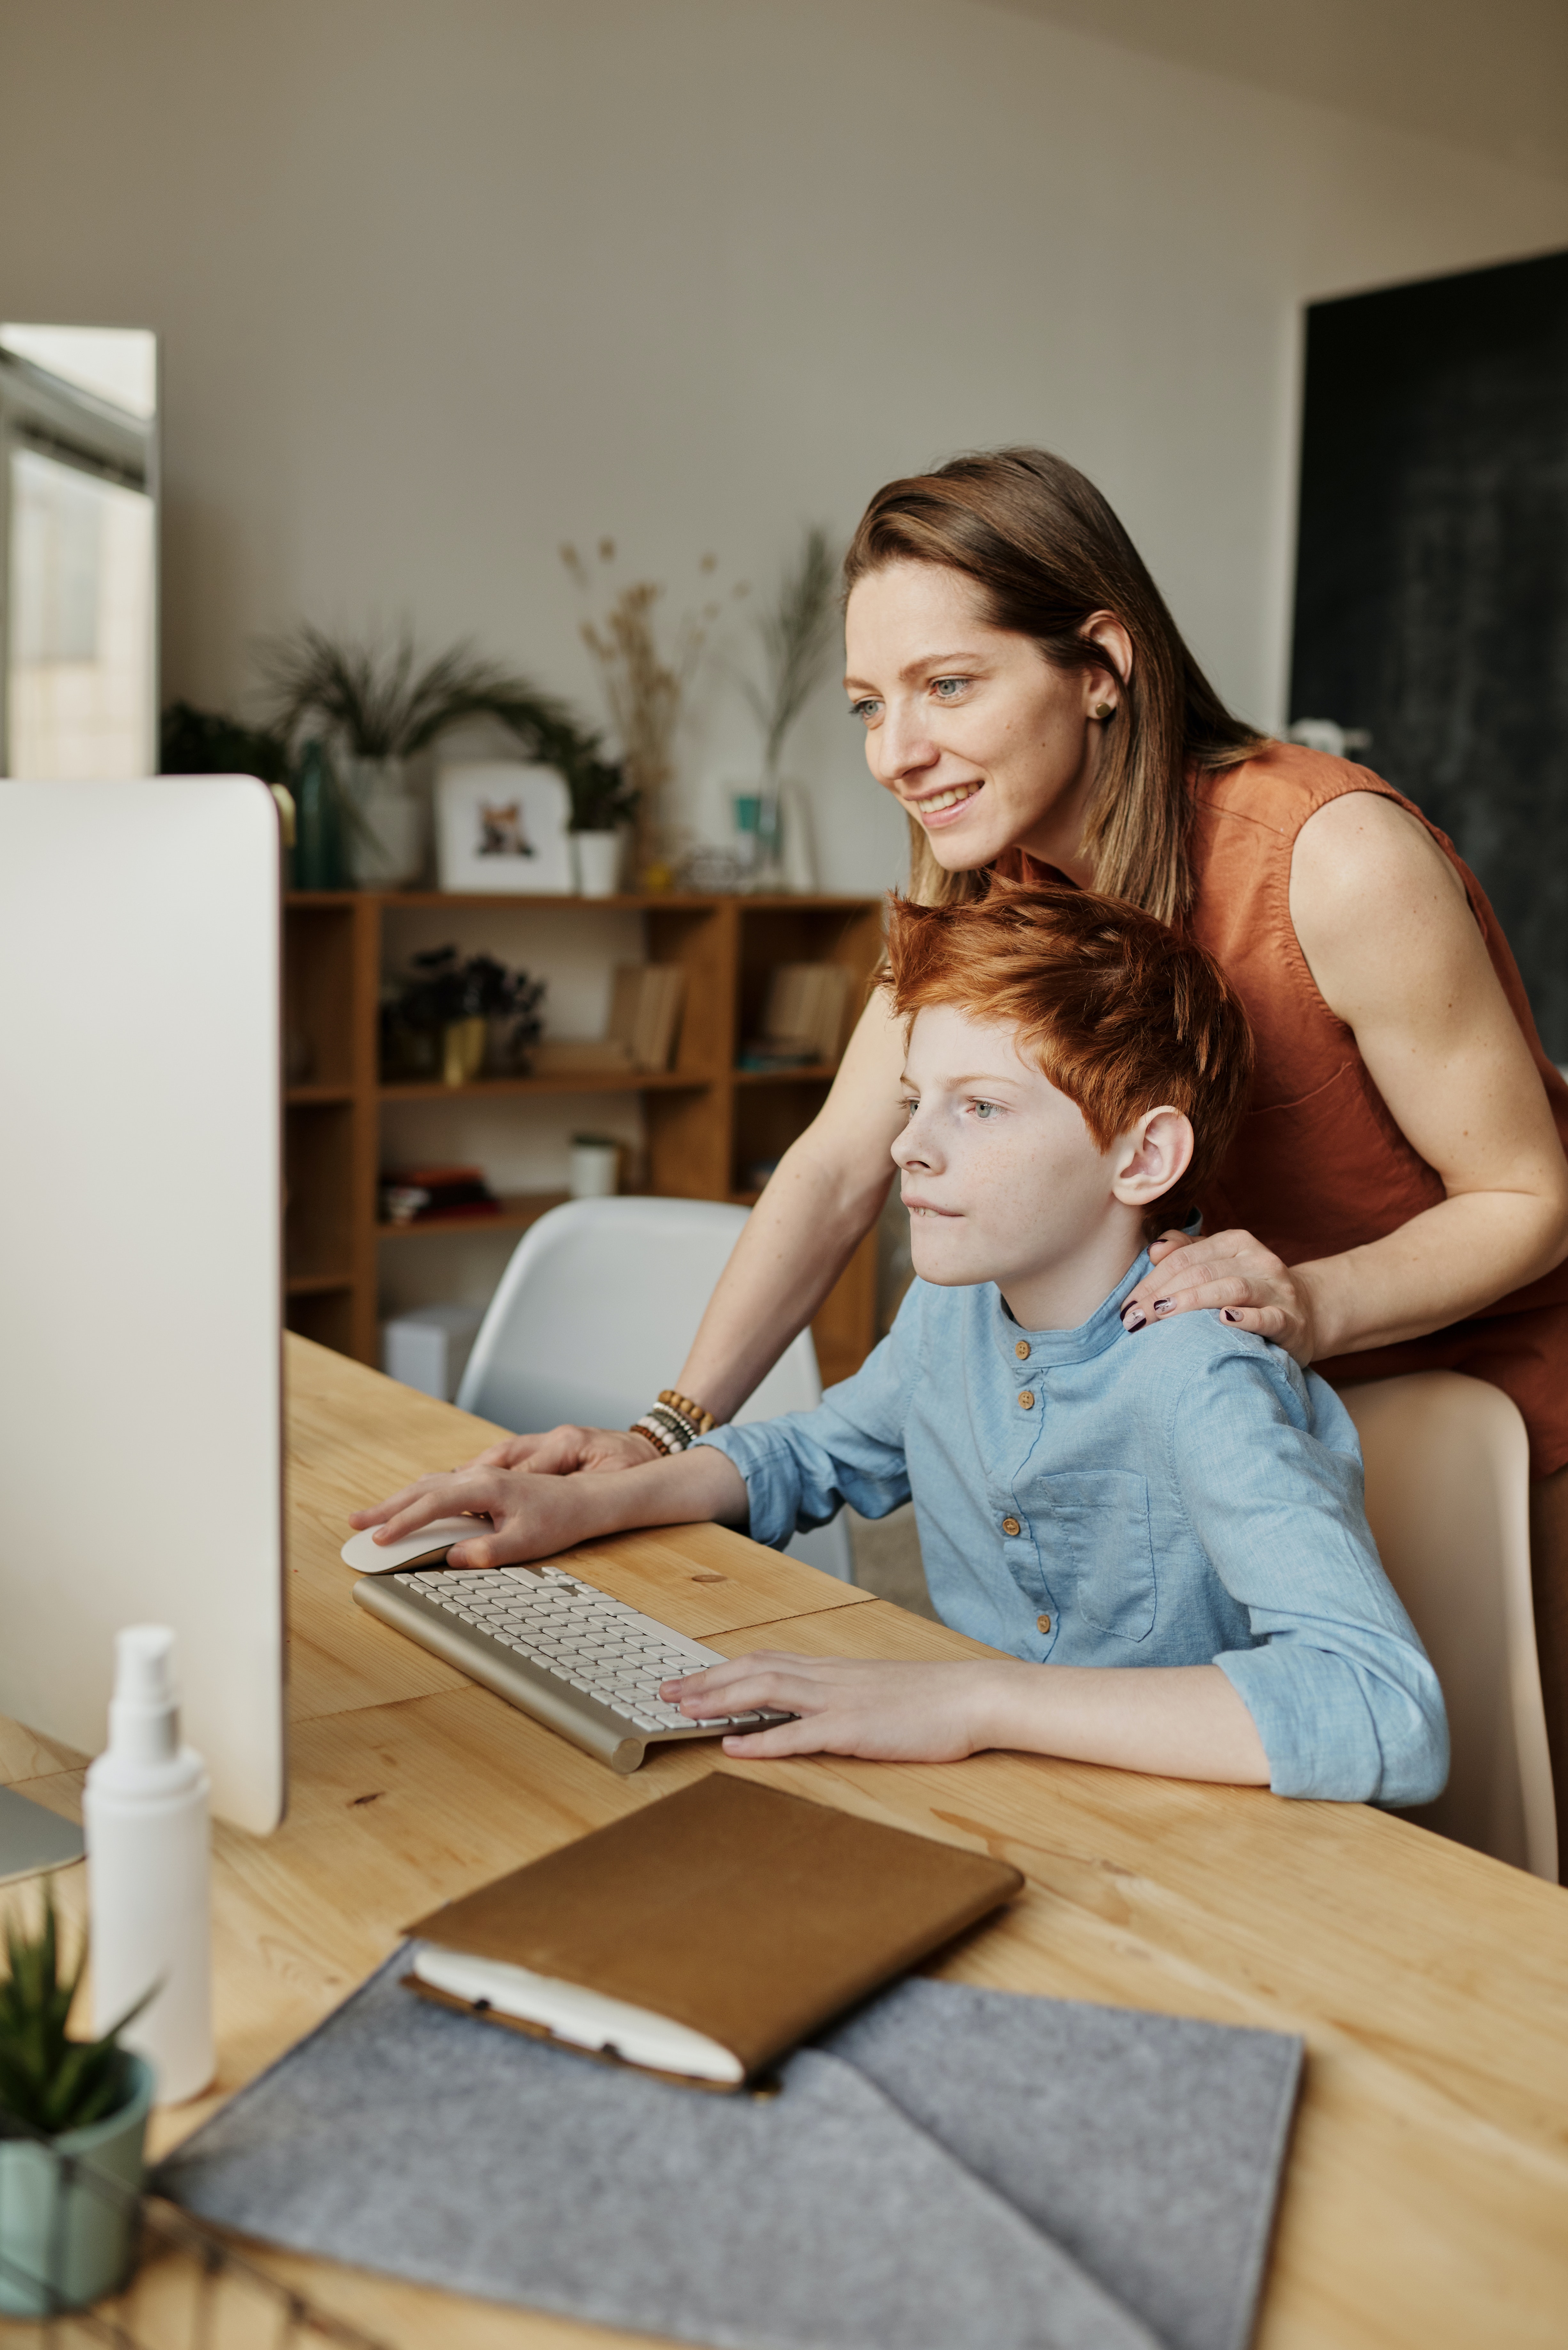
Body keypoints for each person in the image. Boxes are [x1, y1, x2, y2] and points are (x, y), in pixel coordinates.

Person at [477, 450, 1568, 1851]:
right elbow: (832, 1166)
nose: (894, 752)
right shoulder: (980, 884)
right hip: (1225, 1380)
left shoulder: (1330, 858)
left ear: (1099, 663)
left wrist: (1308, 1302)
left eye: (947, 686)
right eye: (869, 705)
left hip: (1473, 1392)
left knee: (1498, 1857)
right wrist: (656, 1435)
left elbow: (1529, 1194)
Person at [352, 885, 1448, 1806]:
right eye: (916, 1099)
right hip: (1001, 1793)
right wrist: (596, 1499)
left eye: (979, 1108)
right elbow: (819, 1452)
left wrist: (971, 1698)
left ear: (1143, 1154)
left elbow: (1381, 1704)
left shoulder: (1199, 1373)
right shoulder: (954, 1311)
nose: (907, 1147)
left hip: (1191, 1840)